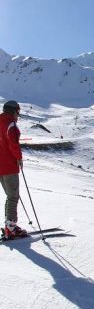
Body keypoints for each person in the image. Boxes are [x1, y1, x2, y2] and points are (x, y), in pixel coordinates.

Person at [0, 100, 28, 239]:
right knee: (13, 197)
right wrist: (19, 158)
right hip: (9, 166)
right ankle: (10, 229)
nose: (18, 114)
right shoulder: (10, 125)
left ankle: (8, 225)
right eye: (18, 111)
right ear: (12, 111)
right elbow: (13, 145)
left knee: (10, 196)